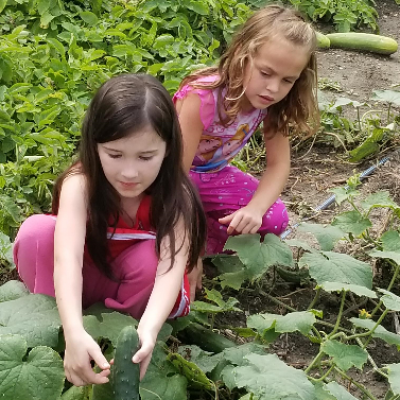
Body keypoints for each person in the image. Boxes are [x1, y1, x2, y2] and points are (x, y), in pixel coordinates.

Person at [13, 74, 207, 386]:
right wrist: (74, 331)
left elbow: (170, 271)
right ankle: (60, 330)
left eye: (146, 156)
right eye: (115, 155)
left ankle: (116, 342)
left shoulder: (176, 197)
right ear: (94, 145)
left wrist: (148, 331)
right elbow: (67, 259)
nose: (130, 172)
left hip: (133, 290)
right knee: (37, 231)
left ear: (169, 149)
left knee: (151, 258)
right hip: (81, 277)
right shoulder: (80, 184)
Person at [173, 4, 319, 299]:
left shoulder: (273, 105)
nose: (273, 88)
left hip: (212, 176)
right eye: (266, 72)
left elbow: (278, 166)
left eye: (287, 80)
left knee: (274, 218)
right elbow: (174, 177)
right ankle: (183, 244)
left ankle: (204, 244)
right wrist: (184, 251)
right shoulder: (201, 98)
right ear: (243, 55)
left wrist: (254, 210)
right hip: (169, 181)